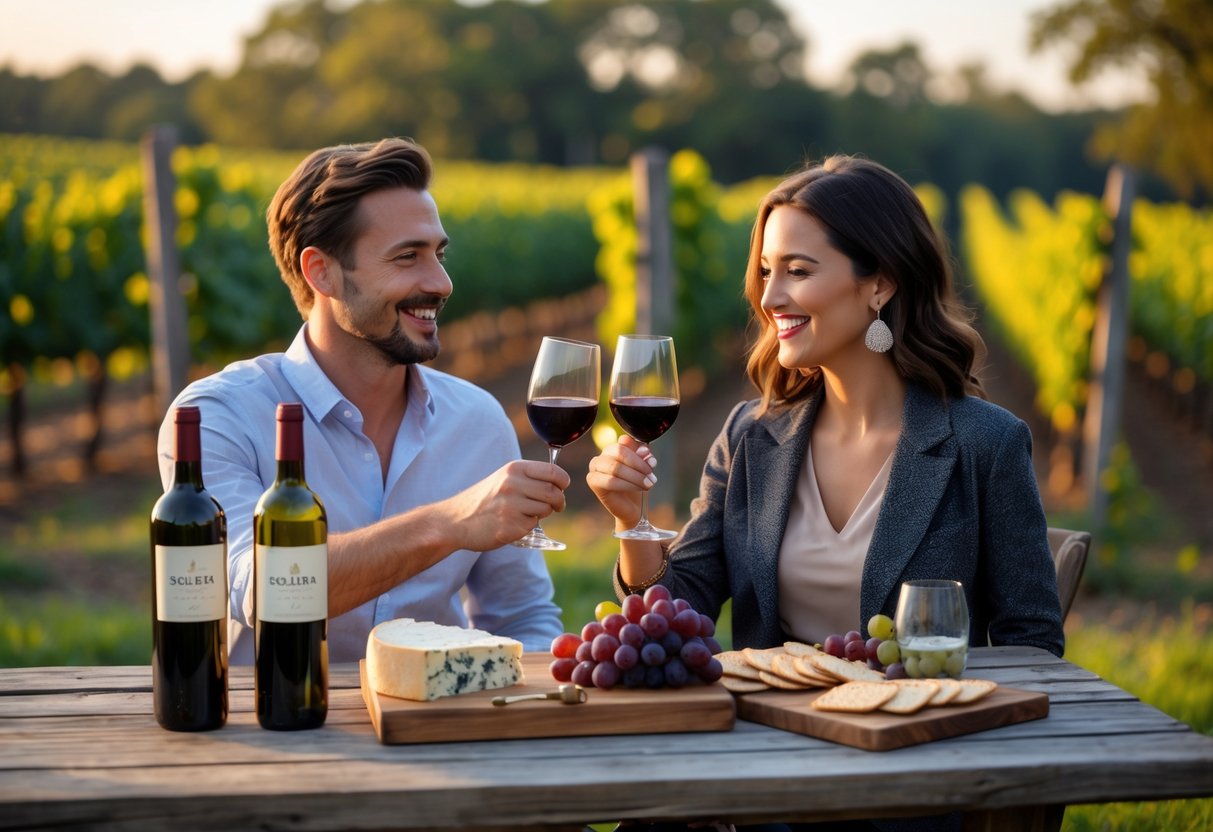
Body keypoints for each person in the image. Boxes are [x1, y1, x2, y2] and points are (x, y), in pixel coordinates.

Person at [588, 155, 1065, 831]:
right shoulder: (752, 435)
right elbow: (680, 608)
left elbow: (1032, 647)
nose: (769, 296)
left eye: (797, 270)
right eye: (764, 271)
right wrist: (632, 523)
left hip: (908, 777)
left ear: (878, 285)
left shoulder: (982, 443)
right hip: (761, 762)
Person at [157, 137, 566, 663]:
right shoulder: (218, 418)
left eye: (438, 254)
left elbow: (523, 619)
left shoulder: (478, 420)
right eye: (407, 257)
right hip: (276, 734)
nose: (441, 282)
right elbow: (258, 591)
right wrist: (446, 523)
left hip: (434, 727)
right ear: (320, 271)